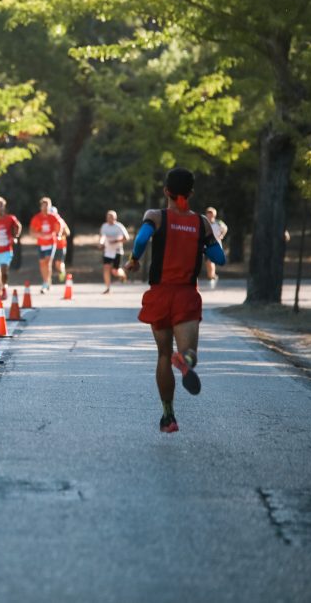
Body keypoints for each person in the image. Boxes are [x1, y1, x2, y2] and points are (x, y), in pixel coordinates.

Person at [125, 167, 226, 434]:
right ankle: (186, 362)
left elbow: (141, 239)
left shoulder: (156, 216)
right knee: (189, 352)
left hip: (159, 295)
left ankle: (168, 416)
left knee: (162, 355)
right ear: (191, 193)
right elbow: (220, 259)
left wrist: (134, 260)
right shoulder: (202, 223)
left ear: (165, 191)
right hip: (186, 296)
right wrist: (203, 243)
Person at [29, 197, 62, 292]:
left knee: (48, 262)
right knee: (42, 263)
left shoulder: (53, 217)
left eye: (47, 205)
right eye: (44, 205)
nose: (45, 207)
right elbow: (31, 232)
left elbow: (60, 226)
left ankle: (45, 283)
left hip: (51, 242)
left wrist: (58, 234)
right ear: (40, 207)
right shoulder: (37, 218)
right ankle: (47, 280)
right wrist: (39, 235)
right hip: (41, 244)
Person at [98, 210, 130, 294]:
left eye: (111, 217)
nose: (109, 219)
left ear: (115, 218)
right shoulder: (104, 226)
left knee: (115, 271)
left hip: (117, 251)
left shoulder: (119, 226)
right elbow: (102, 237)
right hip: (107, 251)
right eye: (108, 217)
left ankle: (122, 275)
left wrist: (115, 241)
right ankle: (108, 288)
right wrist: (101, 244)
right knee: (106, 268)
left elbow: (126, 238)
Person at [203, 207, 229, 289]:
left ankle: (211, 279)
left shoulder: (218, 223)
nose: (209, 215)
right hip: (206, 245)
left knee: (210, 262)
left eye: (211, 213)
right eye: (208, 213)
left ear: (214, 214)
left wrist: (222, 235)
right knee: (207, 263)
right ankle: (212, 276)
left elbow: (225, 228)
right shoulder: (205, 223)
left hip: (215, 245)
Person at [51, 205, 71, 283]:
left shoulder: (61, 221)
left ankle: (62, 275)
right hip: (51, 245)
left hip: (60, 245)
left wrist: (60, 234)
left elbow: (68, 232)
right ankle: (48, 280)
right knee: (50, 263)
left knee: (58, 263)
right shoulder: (49, 221)